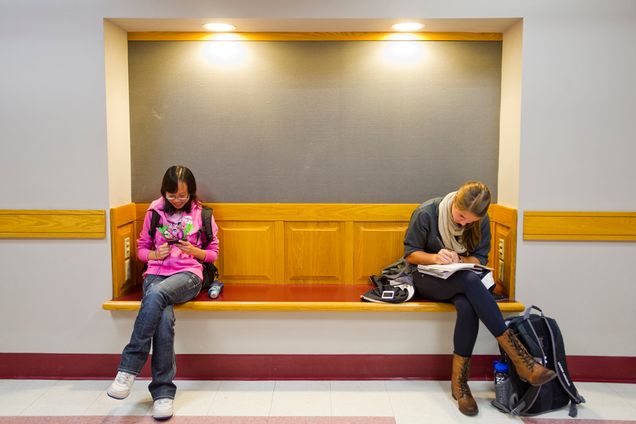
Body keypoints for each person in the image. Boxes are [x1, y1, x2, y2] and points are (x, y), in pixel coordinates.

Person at [404, 181, 555, 416]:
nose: (464, 222)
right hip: (427, 278)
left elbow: (480, 258)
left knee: (467, 305)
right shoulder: (427, 213)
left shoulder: (480, 221)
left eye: (470, 221)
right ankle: (522, 361)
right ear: (454, 202)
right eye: (461, 216)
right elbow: (411, 255)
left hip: (461, 279)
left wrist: (462, 262)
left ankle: (460, 385)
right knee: (471, 283)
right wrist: (435, 258)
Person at [107, 165, 219, 420]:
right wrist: (155, 255)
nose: (178, 200)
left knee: (156, 296)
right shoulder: (154, 212)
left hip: (188, 275)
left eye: (183, 196)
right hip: (156, 273)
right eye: (172, 195)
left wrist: (195, 252)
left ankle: (129, 368)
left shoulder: (203, 214)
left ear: (191, 192)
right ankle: (163, 393)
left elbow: (213, 253)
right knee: (164, 317)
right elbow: (141, 250)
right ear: (164, 192)